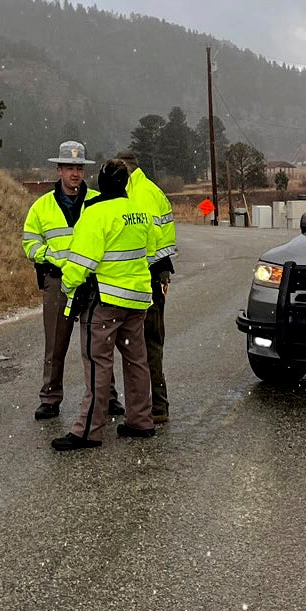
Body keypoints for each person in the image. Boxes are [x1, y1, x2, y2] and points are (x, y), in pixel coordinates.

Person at [51, 158, 156, 451]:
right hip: (137, 301)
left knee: (98, 364)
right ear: (125, 183)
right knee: (137, 362)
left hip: (105, 303)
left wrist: (67, 286)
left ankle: (88, 431)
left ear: (101, 183)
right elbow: (151, 249)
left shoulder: (96, 214)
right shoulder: (140, 212)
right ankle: (140, 421)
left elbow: (81, 262)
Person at [21, 141, 113, 422]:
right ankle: (50, 398)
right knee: (56, 342)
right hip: (57, 281)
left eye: (79, 168)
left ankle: (107, 396)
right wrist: (50, 257)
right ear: (59, 170)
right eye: (69, 168)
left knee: (98, 344)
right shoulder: (41, 207)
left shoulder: (98, 201)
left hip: (92, 281)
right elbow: (30, 242)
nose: (75, 173)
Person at [122, 153, 179, 424]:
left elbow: (143, 242)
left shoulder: (139, 194)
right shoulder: (151, 190)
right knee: (150, 343)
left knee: (146, 345)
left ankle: (154, 406)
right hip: (156, 274)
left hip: (144, 278)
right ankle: (155, 405)